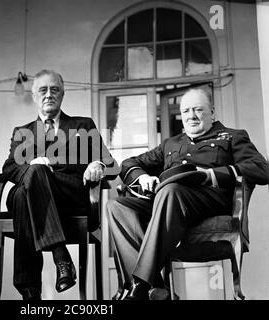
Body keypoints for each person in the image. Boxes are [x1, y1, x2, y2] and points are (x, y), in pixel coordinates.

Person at [106, 88, 269, 300]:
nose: (191, 116)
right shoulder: (171, 144)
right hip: (169, 203)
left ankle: (141, 285)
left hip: (209, 201)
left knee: (170, 190)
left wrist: (211, 174)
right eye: (186, 111)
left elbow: (261, 169)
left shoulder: (233, 136)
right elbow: (129, 163)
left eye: (198, 110)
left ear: (213, 112)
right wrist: (143, 177)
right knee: (117, 207)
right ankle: (156, 285)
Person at [2, 69, 118, 300]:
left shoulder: (83, 125)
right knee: (27, 186)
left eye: (54, 89)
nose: (48, 95)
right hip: (32, 195)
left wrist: (97, 164)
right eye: (42, 90)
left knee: (22, 194)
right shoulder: (23, 132)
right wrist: (34, 165)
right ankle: (60, 257)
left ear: (63, 94)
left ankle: (28, 288)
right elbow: (9, 169)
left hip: (70, 193)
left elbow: (111, 166)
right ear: (34, 96)